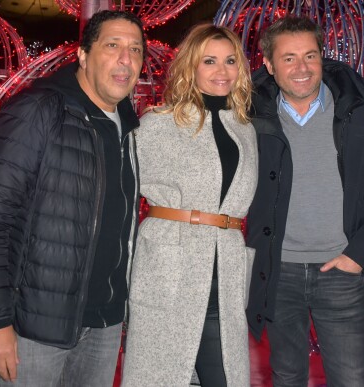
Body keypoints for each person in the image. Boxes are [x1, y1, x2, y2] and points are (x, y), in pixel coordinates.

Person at [0, 10, 145, 387]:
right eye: (113, 46)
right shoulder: (39, 110)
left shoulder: (128, 126)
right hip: (36, 327)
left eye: (136, 50)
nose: (126, 59)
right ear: (82, 55)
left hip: (105, 322)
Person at [246, 16, 364, 386]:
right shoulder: (248, 115)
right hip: (278, 272)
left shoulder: (363, 111)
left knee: (351, 378)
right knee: (286, 374)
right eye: (289, 58)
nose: (302, 68)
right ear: (268, 64)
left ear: (322, 57)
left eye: (310, 55)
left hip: (341, 270)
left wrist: (358, 256)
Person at [120, 24, 257, 386]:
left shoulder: (245, 128)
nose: (222, 71)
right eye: (209, 61)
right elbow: (122, 197)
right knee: (163, 375)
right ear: (190, 67)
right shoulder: (157, 124)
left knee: (226, 375)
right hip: (171, 268)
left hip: (224, 270)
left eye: (230, 61)